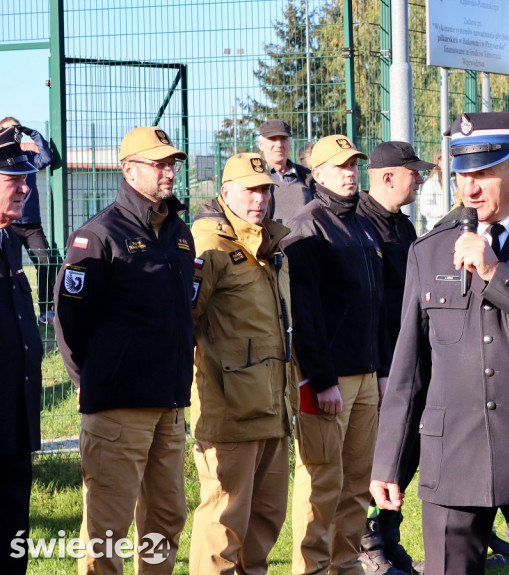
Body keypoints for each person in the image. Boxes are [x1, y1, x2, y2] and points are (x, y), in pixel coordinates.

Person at [369, 111, 509, 575]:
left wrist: (498, 273)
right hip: (452, 454)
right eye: (461, 175)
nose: (469, 188)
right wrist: (389, 460)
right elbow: (410, 366)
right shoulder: (428, 250)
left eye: (482, 175)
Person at [54, 126, 193, 574]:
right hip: (118, 409)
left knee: (166, 519)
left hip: (169, 406)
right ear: (129, 169)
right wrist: (89, 381)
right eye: (159, 163)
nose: (169, 171)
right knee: (107, 531)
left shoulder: (179, 232)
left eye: (172, 162)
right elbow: (69, 321)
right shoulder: (98, 236)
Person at [188, 153, 297, 574]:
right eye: (250, 189)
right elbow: (185, 320)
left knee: (265, 522)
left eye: (266, 189)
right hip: (230, 411)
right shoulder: (210, 243)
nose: (260, 198)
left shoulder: (270, 242)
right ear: (226, 191)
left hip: (272, 407)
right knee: (223, 523)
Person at [284, 134, 388, 575]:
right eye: (341, 166)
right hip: (330, 377)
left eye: (353, 165)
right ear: (317, 174)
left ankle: (345, 565)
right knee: (322, 481)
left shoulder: (361, 222)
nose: (350, 173)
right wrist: (322, 379)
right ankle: (310, 568)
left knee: (357, 482)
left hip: (365, 372)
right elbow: (303, 314)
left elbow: (375, 302)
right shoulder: (306, 226)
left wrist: (380, 367)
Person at [356, 141, 435, 575]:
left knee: (406, 452)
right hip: (378, 363)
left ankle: (391, 535)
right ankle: (368, 544)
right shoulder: (361, 224)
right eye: (413, 173)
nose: (420, 179)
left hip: (409, 360)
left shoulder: (402, 227)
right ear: (388, 177)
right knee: (377, 455)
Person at [0, 126, 44, 575]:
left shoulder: (10, 240)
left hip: (15, 421)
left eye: (25, 178)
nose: (25, 187)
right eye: (14, 179)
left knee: (14, 538)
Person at [0, 117, 56, 324]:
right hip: (9, 226)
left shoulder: (29, 158)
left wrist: (32, 132)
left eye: (16, 131)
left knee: (46, 263)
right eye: (7, 131)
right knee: (10, 269)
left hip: (32, 225)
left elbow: (47, 157)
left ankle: (45, 311)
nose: (23, 187)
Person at [257, 119, 316, 224]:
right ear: (260, 144)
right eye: (272, 139)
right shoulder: (254, 177)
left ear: (289, 142)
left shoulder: (307, 176)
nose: (279, 144)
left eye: (283, 138)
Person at [417, 150, 455, 232]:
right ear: (438, 161)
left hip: (451, 228)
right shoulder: (431, 183)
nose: (452, 163)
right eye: (449, 160)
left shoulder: (451, 181)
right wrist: (447, 210)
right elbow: (425, 209)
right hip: (435, 229)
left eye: (452, 159)